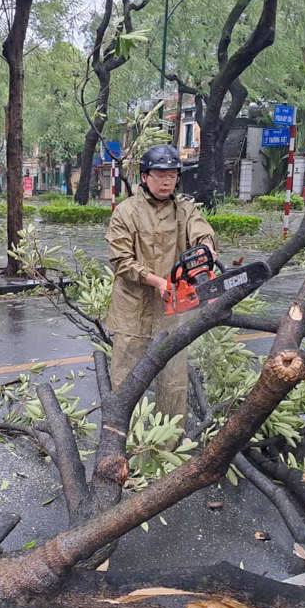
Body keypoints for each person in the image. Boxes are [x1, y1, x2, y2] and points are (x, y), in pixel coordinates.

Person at [105, 144, 217, 421]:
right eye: (159, 174)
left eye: (172, 174)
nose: (166, 180)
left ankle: (169, 450)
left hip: (173, 313)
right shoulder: (126, 211)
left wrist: (206, 250)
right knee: (126, 385)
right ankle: (124, 446)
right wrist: (157, 281)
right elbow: (121, 261)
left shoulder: (185, 210)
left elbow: (203, 233)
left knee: (173, 384)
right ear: (145, 176)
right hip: (133, 313)